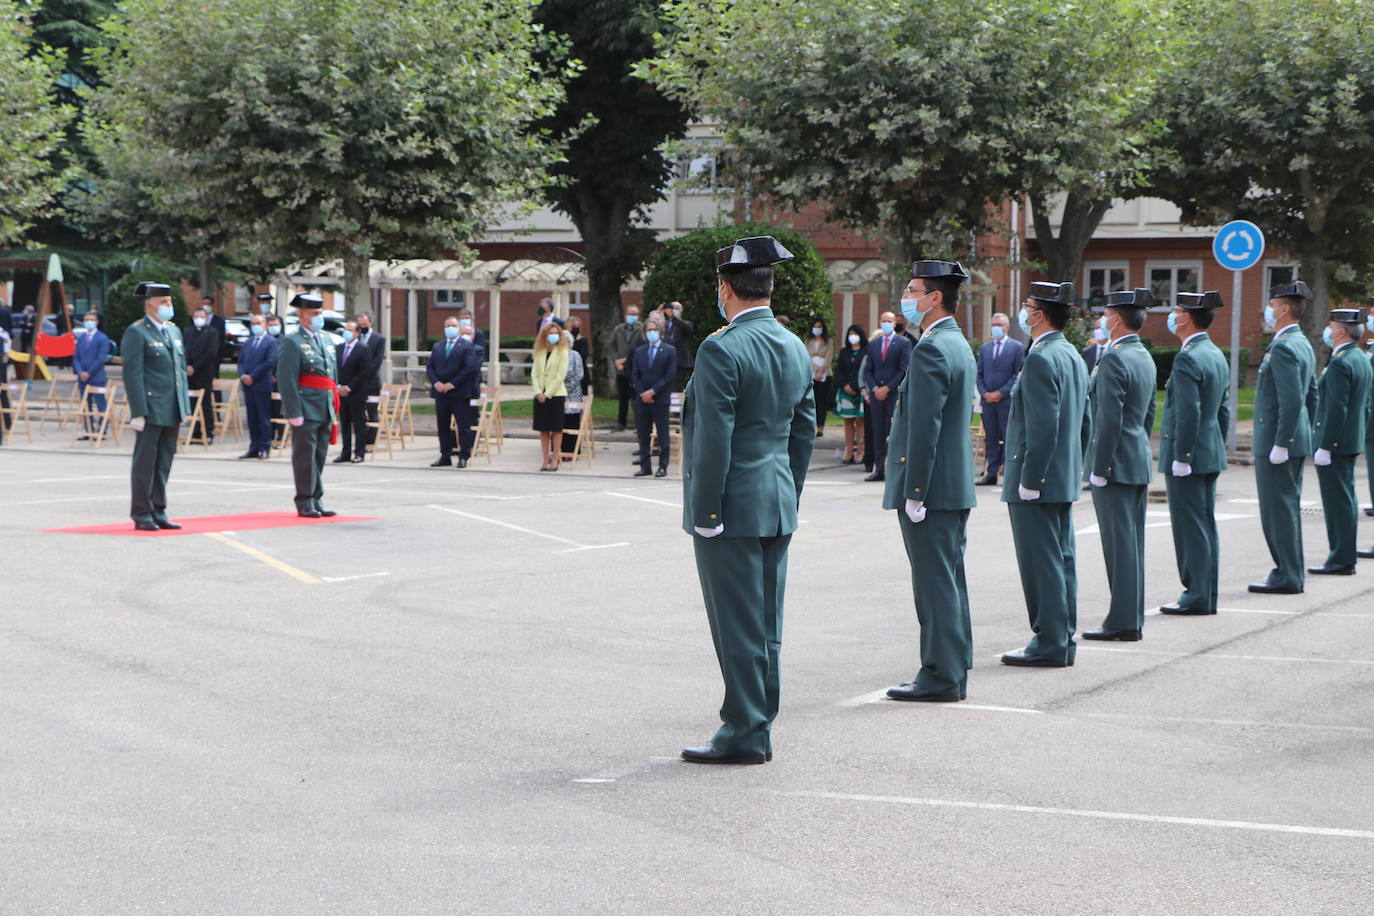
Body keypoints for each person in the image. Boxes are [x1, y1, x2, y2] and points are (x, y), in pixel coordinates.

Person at [680, 235, 814, 765]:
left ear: (725, 288)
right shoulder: (793, 344)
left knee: (737, 625)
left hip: (731, 507)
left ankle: (744, 728)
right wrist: (786, 491)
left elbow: (714, 438)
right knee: (765, 625)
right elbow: (802, 432)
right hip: (775, 501)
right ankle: (759, 720)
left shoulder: (721, 347)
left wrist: (706, 510)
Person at [882, 260, 977, 702]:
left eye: (913, 288)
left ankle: (940, 674)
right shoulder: (956, 343)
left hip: (932, 489)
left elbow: (925, 428)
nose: (906, 295)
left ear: (934, 297)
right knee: (948, 579)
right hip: (952, 484)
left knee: (935, 583)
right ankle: (952, 667)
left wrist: (914, 491)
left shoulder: (933, 348)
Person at [1000, 281, 1091, 667]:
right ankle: (1061, 638)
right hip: (1062, 474)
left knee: (1042, 564)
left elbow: (1043, 426)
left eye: (1027, 306)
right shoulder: (1070, 354)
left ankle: (1050, 641)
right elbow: (1084, 421)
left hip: (1038, 478)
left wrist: (1030, 479)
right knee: (1061, 560)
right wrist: (1072, 466)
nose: (1023, 312)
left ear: (1039, 314)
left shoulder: (1041, 357)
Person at [1083, 288, 1158, 642]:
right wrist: (1137, 446)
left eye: (1105, 314)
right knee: (1131, 543)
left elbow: (1108, 420)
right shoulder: (1142, 355)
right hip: (1136, 457)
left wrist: (1099, 466)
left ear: (1114, 319)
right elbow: (1148, 415)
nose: (1102, 319)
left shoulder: (1114, 358)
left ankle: (1123, 620)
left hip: (1115, 462)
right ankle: (1131, 616)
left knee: (1120, 545)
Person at [1158, 291, 1231, 616]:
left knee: (1190, 527)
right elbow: (1223, 411)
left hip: (1189, 455)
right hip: (1209, 450)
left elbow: (1188, 411)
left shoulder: (1189, 357)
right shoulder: (1214, 353)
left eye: (1176, 311)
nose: (1173, 316)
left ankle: (1197, 594)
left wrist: (1182, 455)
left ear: (1186, 317)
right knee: (1204, 525)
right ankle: (1205, 591)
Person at [1248, 280, 1318, 595]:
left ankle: (1287, 574)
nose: (1269, 309)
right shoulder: (1301, 343)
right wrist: (1303, 433)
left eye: (1273, 305)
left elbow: (1292, 401)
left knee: (1278, 512)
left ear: (1284, 309)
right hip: (1292, 438)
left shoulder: (1285, 345)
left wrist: (1281, 442)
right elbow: (1311, 396)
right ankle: (1289, 571)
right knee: (1284, 509)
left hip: (1278, 442)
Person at [121, 283, 191, 531]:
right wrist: (138, 410)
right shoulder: (137, 332)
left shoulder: (173, 331)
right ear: (149, 304)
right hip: (151, 407)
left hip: (171, 407)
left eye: (169, 302)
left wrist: (184, 407)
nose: (168, 306)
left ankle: (159, 509)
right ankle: (142, 512)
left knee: (163, 462)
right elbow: (133, 374)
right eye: (163, 302)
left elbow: (179, 372)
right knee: (145, 463)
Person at [1309, 309, 1372, 575]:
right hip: (1350, 440)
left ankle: (1340, 558)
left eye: (1331, 326)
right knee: (1344, 500)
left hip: (1336, 444)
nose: (1328, 330)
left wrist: (1325, 445)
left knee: (1337, 503)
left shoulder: (1342, 362)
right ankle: (1343, 555)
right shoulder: (1360, 358)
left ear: (1341, 332)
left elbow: (1336, 408)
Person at [277, 293, 339, 518]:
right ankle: (304, 500)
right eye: (314, 314)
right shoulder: (292, 342)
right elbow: (287, 379)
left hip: (324, 404)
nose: (318, 317)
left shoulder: (327, 339)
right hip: (305, 405)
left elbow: (332, 375)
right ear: (302, 316)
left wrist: (333, 404)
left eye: (319, 313)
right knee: (305, 455)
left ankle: (317, 497)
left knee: (320, 453)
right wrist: (293, 411)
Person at [862, 310, 912, 481]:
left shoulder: (903, 343)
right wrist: (874, 388)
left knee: (894, 432)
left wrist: (888, 388)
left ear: (894, 323)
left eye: (889, 321)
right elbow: (868, 369)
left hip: (893, 395)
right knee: (877, 432)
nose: (887, 324)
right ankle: (879, 469)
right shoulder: (874, 343)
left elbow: (904, 369)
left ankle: (894, 469)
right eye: (884, 321)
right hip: (876, 395)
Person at [975, 312, 1024, 485]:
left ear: (1007, 327)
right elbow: (979, 374)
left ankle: (1009, 473)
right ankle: (992, 472)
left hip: (1005, 401)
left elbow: (1016, 375)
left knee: (1008, 436)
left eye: (999, 325)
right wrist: (985, 393)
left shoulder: (1016, 347)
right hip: (987, 401)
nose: (996, 328)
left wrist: (1001, 393)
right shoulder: (985, 348)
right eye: (994, 325)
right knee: (991, 438)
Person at [427, 316, 483, 468]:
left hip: (459, 393)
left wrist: (452, 384)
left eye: (453, 325)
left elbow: (469, 368)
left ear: (458, 328)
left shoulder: (466, 345)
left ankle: (464, 456)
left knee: (463, 426)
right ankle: (445, 455)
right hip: (441, 393)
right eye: (447, 325)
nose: (450, 327)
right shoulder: (438, 346)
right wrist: (437, 383)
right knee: (443, 426)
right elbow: (430, 367)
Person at [630, 315, 677, 478]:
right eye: (649, 330)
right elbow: (635, 374)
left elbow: (669, 375)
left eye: (655, 330)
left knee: (663, 434)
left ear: (661, 332)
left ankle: (663, 466)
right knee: (643, 434)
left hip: (660, 399)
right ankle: (645, 465)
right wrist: (643, 393)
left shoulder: (669, 350)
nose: (652, 333)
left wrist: (653, 392)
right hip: (642, 399)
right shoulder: (639, 351)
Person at [531, 319, 570, 471]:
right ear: (545, 335)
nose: (553, 336)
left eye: (556, 333)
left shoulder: (563, 352)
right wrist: (538, 392)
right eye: (550, 333)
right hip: (540, 394)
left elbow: (560, 376)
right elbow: (534, 374)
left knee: (556, 428)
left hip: (556, 394)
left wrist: (547, 394)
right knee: (543, 429)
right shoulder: (539, 352)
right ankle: (544, 458)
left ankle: (555, 459)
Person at [237, 312, 278, 459]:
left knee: (263, 417)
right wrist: (243, 375)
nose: (255, 326)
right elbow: (241, 362)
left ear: (265, 325)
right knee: (252, 417)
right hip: (248, 386)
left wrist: (253, 376)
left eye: (258, 323)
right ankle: (253, 446)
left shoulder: (271, 342)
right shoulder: (248, 342)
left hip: (261, 384)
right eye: (253, 323)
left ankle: (265, 447)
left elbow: (269, 362)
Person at [333, 321, 370, 463]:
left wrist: (348, 387)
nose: (346, 332)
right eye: (345, 329)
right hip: (340, 392)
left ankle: (359, 452)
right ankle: (345, 452)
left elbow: (364, 372)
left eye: (350, 330)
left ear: (357, 333)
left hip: (356, 393)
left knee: (359, 423)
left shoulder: (363, 349)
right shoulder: (339, 348)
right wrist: (338, 386)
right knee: (345, 423)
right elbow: (336, 368)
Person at [183, 305, 222, 443]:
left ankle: (208, 432)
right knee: (193, 403)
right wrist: (187, 365)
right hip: (190, 373)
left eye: (201, 317)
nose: (198, 319)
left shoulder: (212, 332)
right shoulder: (188, 332)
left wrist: (195, 366)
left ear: (206, 318)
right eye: (196, 317)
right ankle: (195, 431)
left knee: (205, 403)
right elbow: (185, 350)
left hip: (203, 373)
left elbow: (211, 353)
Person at [72, 311, 111, 440]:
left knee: (100, 404)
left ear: (97, 322)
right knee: (85, 404)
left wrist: (89, 372)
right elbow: (76, 357)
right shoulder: (81, 338)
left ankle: (102, 430)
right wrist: (80, 372)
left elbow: (101, 358)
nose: (88, 321)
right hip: (82, 377)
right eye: (86, 319)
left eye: (91, 319)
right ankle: (88, 430)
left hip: (97, 377)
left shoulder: (102, 338)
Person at [834, 324, 867, 464]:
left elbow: (865, 370)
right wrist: (845, 385)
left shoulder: (866, 351)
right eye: (850, 334)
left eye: (856, 333)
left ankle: (861, 450)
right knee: (848, 421)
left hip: (860, 390)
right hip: (845, 391)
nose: (853, 336)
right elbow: (839, 371)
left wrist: (855, 386)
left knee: (860, 421)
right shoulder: (844, 352)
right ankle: (849, 450)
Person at [609, 305, 645, 431]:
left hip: (635, 368)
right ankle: (621, 423)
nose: (631, 316)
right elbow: (611, 346)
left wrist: (626, 360)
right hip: (620, 368)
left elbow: (642, 347)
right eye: (630, 314)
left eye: (634, 314)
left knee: (636, 397)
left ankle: (639, 423)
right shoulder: (618, 329)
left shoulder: (641, 329)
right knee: (622, 397)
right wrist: (616, 360)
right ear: (625, 314)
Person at [355, 312, 386, 453]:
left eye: (364, 324)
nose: (362, 327)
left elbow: (377, 361)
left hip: (371, 383)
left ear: (370, 323)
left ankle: (371, 442)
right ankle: (360, 441)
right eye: (360, 324)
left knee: (372, 412)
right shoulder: (356, 338)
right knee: (359, 413)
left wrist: (363, 376)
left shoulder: (378, 339)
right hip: (356, 384)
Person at [661, 301, 695, 390]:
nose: (673, 310)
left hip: (679, 362)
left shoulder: (686, 323)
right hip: (665, 360)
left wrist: (673, 317)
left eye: (676, 308)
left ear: (681, 311)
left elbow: (688, 330)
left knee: (677, 388)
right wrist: (660, 312)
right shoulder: (665, 324)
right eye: (672, 307)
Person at [806, 318, 832, 438]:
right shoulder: (808, 341)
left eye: (819, 326)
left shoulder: (828, 341)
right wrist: (815, 369)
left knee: (822, 401)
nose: (817, 329)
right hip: (811, 372)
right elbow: (807, 356)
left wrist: (821, 370)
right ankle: (812, 425)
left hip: (825, 373)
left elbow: (828, 357)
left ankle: (821, 426)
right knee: (812, 401)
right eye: (815, 326)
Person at [562, 335, 587, 458]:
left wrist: (567, 388)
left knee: (571, 421)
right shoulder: (556, 354)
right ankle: (559, 450)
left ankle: (572, 451)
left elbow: (579, 375)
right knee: (559, 422)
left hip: (573, 394)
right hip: (558, 393)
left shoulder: (575, 355)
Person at [265, 314, 285, 443]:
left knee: (279, 410)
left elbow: (286, 361)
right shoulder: (264, 340)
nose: (273, 327)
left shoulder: (285, 341)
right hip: (265, 381)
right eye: (271, 325)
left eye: (276, 325)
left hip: (279, 382)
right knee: (268, 410)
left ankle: (281, 436)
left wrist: (276, 376)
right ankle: (269, 435)